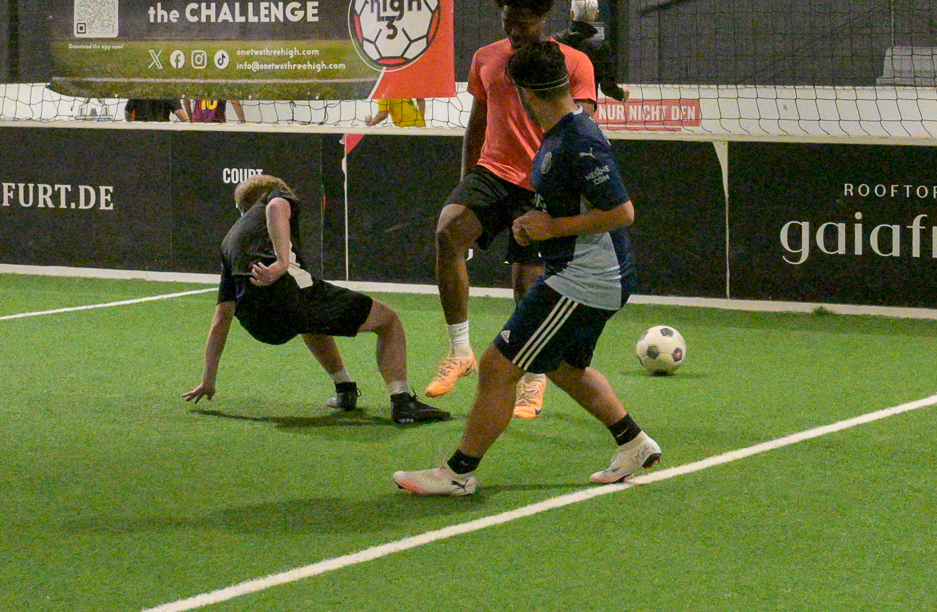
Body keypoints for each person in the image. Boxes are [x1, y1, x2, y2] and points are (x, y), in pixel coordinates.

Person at [395, 41, 659, 494]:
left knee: (498, 367)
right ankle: (633, 443)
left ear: (525, 94)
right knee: (563, 367)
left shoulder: (579, 141)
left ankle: (458, 474)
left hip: (585, 280)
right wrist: (532, 225)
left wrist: (551, 228)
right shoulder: (560, 132)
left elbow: (622, 212)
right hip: (585, 274)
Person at [428, 0, 599, 421]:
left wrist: (570, 192)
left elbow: (583, 129)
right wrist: (466, 180)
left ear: (543, 19)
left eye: (522, 23)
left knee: (528, 284)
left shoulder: (575, 63)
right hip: (493, 173)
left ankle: (533, 378)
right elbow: (477, 121)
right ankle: (460, 351)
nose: (513, 31)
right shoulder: (486, 58)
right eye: (507, 22)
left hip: (544, 183)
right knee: (448, 230)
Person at [183, 174, 450, 426]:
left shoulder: (228, 242)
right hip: (292, 296)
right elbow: (276, 206)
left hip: (261, 325)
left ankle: (344, 388)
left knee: (311, 320)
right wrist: (282, 261)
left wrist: (208, 380)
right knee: (388, 320)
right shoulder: (274, 197)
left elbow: (221, 318)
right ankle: (402, 401)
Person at [558, 0, 629, 103]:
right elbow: (607, 87)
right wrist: (621, 93)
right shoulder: (600, 47)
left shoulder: (556, 41)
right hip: (584, 106)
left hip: (557, 105)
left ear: (571, 13)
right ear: (596, 14)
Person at [178, 98, 245, 124]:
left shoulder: (198, 81)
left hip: (198, 122)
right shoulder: (222, 82)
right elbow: (234, 100)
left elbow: (185, 98)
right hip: (218, 123)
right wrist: (242, 120)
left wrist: (190, 118)